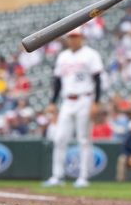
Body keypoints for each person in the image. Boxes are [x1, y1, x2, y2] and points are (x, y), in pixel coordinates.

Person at [42, 28, 103, 188]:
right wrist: (52, 102)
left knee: (83, 139)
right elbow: (57, 82)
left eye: (75, 36)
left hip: (85, 98)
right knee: (60, 138)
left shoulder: (91, 54)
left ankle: (83, 177)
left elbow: (97, 80)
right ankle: (57, 176)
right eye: (70, 37)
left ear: (81, 37)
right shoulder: (63, 56)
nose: (73, 39)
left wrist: (96, 102)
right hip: (67, 101)